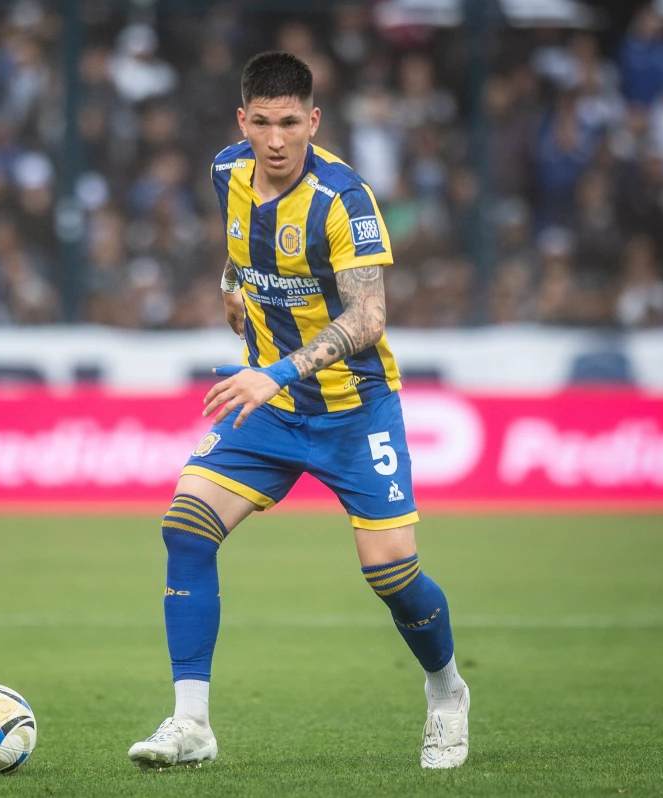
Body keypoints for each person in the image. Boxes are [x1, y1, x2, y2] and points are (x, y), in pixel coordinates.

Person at [127, 52, 468, 772]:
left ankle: (445, 690)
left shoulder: (343, 200)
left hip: (354, 409)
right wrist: (230, 282)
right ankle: (192, 724)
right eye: (262, 123)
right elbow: (237, 249)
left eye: (290, 123)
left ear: (313, 121)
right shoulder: (228, 173)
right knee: (185, 526)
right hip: (273, 411)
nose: (276, 140)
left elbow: (369, 316)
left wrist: (275, 370)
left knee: (392, 575)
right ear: (241, 123)